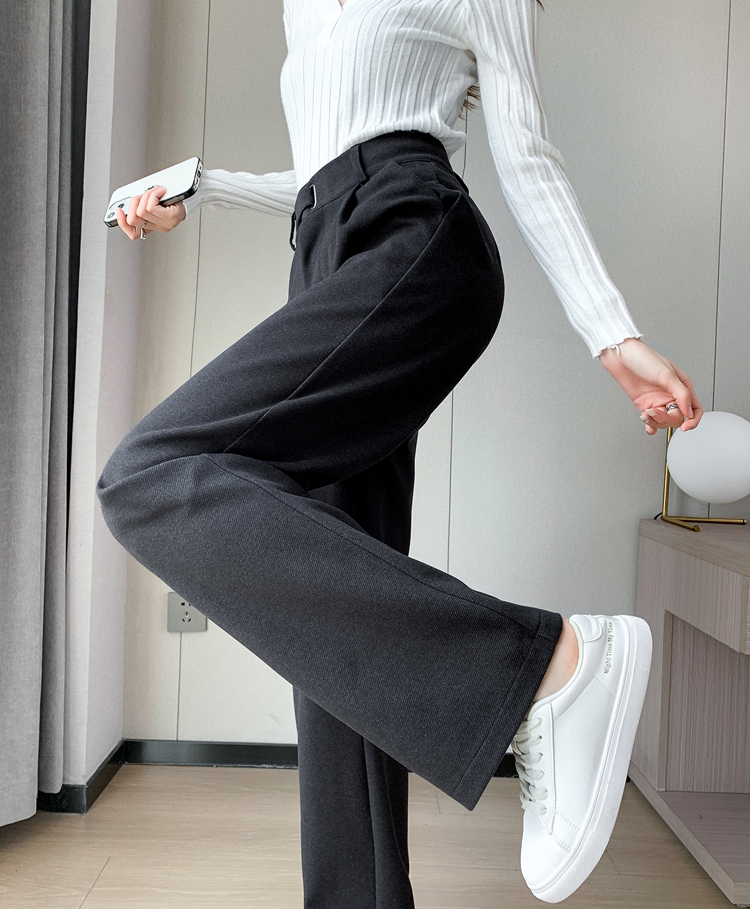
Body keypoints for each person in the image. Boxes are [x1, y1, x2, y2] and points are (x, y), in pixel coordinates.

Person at [101, 0, 704, 904]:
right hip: (323, 251)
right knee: (333, 624)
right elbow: (324, 167)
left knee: (147, 474)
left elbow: (526, 153)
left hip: (417, 238)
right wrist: (208, 188)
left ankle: (548, 666)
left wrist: (613, 336)